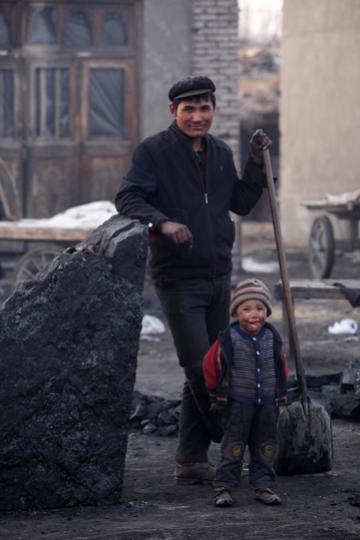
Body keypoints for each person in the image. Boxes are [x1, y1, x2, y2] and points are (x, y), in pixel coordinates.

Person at [115, 75, 271, 484]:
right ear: (174, 111)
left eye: (205, 109)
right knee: (202, 367)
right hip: (178, 276)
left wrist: (255, 163)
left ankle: (190, 459)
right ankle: (234, 436)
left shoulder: (220, 152)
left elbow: (239, 202)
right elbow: (129, 197)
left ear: (213, 110)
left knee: (205, 365)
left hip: (219, 273)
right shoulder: (154, 152)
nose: (198, 117)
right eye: (189, 109)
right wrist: (162, 222)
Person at [202, 278, 288, 507]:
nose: (254, 314)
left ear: (267, 312)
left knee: (265, 446)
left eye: (260, 308)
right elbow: (211, 365)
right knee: (234, 446)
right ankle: (224, 487)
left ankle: (263, 486)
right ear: (236, 312)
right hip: (238, 403)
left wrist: (281, 392)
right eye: (247, 309)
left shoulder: (272, 337)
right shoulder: (229, 339)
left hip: (267, 403)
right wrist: (215, 393)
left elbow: (280, 365)